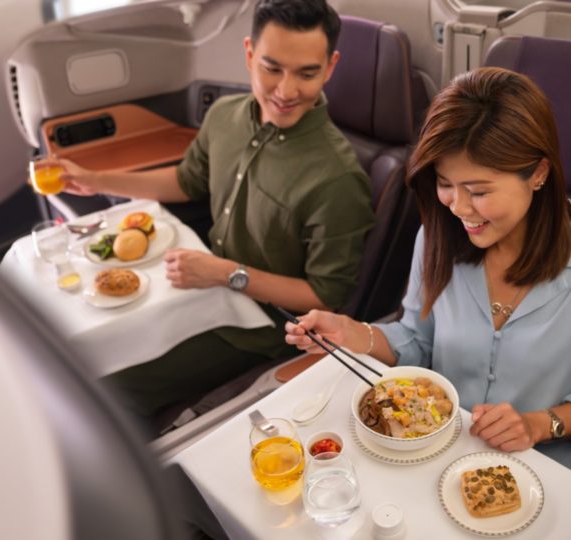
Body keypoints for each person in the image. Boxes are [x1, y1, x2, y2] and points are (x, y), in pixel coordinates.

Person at [285, 67, 571, 477]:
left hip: (541, 471)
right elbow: (418, 342)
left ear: (539, 173)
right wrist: (355, 333)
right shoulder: (437, 237)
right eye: (444, 184)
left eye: (478, 191)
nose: (457, 207)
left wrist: (537, 424)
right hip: (436, 449)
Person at [58, 0, 374, 418]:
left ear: (330, 67)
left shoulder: (337, 178)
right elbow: (187, 181)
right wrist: (97, 180)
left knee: (106, 388)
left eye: (307, 73)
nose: (285, 90)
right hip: (201, 284)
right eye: (271, 68)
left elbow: (323, 298)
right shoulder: (224, 116)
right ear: (248, 54)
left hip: (259, 328)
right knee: (70, 341)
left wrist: (227, 274)